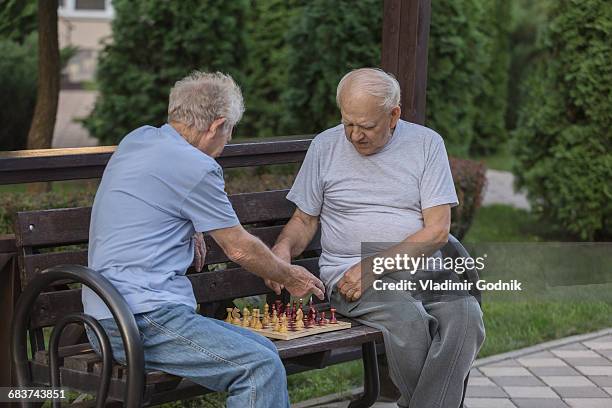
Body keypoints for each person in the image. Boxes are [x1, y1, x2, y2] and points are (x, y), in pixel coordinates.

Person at [81, 71, 325, 408]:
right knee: (258, 368)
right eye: (230, 132)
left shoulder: (138, 139)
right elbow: (238, 246)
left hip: (108, 313)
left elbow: (155, 193)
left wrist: (193, 225)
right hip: (137, 322)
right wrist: (290, 275)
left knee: (265, 350)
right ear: (216, 126)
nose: (227, 142)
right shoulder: (196, 166)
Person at [271, 68, 485, 408]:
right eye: (347, 124)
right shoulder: (325, 146)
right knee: (408, 320)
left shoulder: (426, 145)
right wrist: (281, 250)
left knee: (467, 317)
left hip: (418, 269)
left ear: (394, 114)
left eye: (366, 126)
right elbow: (303, 219)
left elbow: (437, 230)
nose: (355, 136)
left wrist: (376, 265)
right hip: (351, 277)